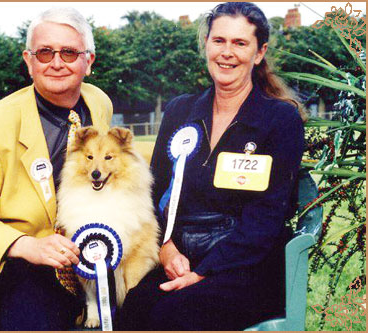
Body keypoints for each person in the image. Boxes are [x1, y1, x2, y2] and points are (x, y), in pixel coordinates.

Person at [118, 2, 306, 330]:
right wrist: (166, 248)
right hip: (180, 255)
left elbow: (266, 219)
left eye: (240, 43)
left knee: (173, 316)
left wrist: (203, 273)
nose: (226, 53)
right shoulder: (179, 111)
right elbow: (156, 193)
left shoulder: (281, 120)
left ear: (259, 53)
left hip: (247, 265)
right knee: (134, 308)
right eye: (219, 41)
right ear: (206, 43)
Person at [0, 7, 113, 330]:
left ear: (89, 62)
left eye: (69, 53)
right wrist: (27, 246)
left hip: (80, 257)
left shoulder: (99, 103)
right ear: (29, 61)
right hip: (6, 264)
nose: (56, 63)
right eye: (45, 53)